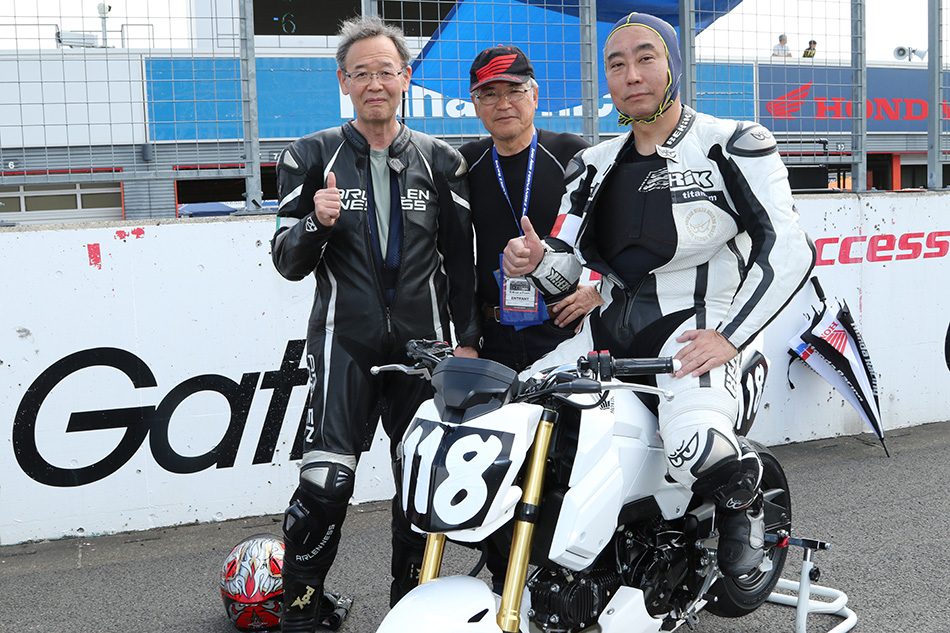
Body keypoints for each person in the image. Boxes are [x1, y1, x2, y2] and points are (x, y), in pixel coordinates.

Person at [503, 12, 815, 578]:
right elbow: (565, 276)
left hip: (696, 335)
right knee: (513, 416)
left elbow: (790, 249)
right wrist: (535, 261)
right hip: (603, 343)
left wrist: (729, 337)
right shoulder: (591, 165)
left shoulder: (732, 143)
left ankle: (745, 502)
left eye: (646, 58)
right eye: (616, 64)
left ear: (673, 66)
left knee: (696, 446)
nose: (631, 75)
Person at [270, 15, 481, 631]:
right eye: (360, 73)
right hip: (344, 343)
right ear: (343, 82)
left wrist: (466, 342)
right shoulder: (309, 155)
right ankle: (301, 611)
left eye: (385, 71)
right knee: (326, 480)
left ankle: (408, 610)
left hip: (426, 350)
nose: (374, 84)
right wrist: (315, 222)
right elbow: (286, 261)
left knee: (420, 483)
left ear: (405, 77)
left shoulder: (443, 160)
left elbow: (462, 265)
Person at [460, 45, 600, 373]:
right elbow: (454, 255)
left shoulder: (572, 154)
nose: (503, 104)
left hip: (565, 327)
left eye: (515, 91)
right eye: (489, 94)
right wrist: (467, 338)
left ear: (534, 96)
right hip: (493, 334)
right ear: (476, 106)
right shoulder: (466, 163)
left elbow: (611, 231)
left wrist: (597, 291)